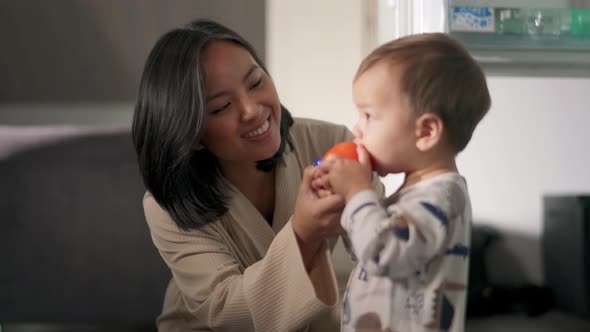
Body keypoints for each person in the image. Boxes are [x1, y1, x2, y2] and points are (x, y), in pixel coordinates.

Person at [132, 19, 383, 331]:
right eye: (222, 107)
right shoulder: (167, 205)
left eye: (255, 83)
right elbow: (226, 311)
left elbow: (383, 255)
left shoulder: (331, 144)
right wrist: (303, 233)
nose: (252, 109)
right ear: (193, 134)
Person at [312, 33, 491, 332]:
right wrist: (346, 205)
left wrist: (358, 191)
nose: (357, 127)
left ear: (426, 131)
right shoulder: (415, 193)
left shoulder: (441, 197)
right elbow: (367, 254)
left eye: (369, 115)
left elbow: (382, 252)